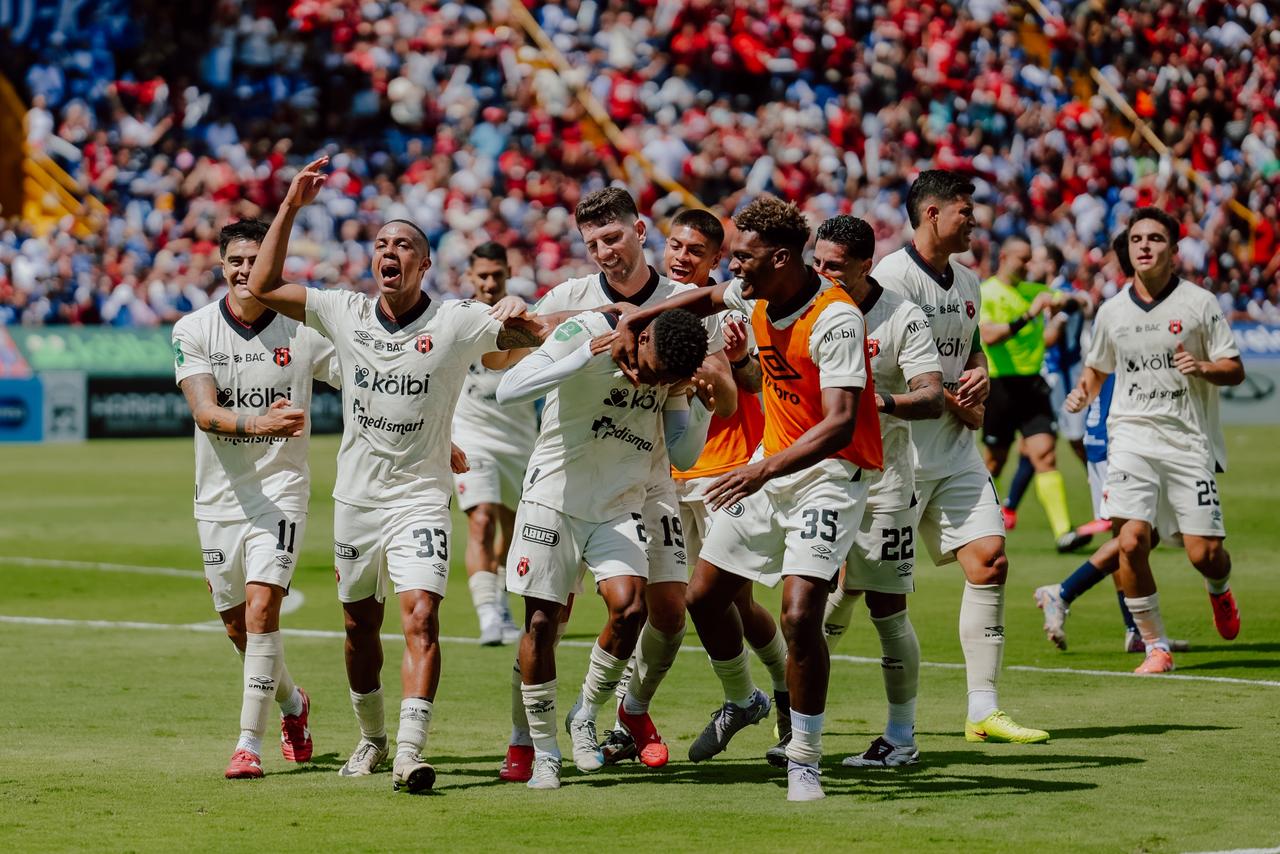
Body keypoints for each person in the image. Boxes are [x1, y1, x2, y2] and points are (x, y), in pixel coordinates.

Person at [247, 156, 553, 793]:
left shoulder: (458, 320)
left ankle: (412, 751)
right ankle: (373, 738)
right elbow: (264, 283)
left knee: (420, 618)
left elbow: (522, 342)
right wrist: (291, 205)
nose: (390, 251)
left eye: (404, 244)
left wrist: (526, 319)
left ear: (424, 265)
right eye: (382, 243)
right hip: (357, 499)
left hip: (419, 498)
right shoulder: (344, 311)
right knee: (360, 627)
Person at [614, 195, 884, 802]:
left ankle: (805, 760)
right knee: (704, 598)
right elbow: (704, 298)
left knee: (797, 613)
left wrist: (762, 470)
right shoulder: (757, 293)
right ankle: (745, 699)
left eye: (744, 258)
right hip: (771, 472)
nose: (733, 269)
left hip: (830, 477)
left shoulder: (836, 319)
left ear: (782, 258)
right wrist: (637, 318)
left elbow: (840, 423)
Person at [502, 188, 734, 776]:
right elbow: (510, 371)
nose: (605, 251)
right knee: (544, 619)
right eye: (593, 243)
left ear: (639, 229)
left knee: (649, 609)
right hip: (559, 479)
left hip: (641, 482)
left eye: (614, 238)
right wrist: (530, 324)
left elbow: (708, 412)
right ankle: (530, 742)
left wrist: (696, 395)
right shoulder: (573, 304)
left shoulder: (684, 308)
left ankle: (603, 713)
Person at [602, 207, 791, 768]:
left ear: (716, 261)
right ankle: (628, 718)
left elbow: (762, 380)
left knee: (729, 598)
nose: (682, 258)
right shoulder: (648, 304)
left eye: (696, 252)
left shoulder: (737, 305)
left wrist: (733, 364)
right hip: (658, 475)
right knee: (655, 603)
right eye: (676, 246)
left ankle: (780, 700)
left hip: (723, 468)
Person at [496, 306, 713, 789]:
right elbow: (508, 389)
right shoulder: (586, 333)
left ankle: (585, 714)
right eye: (648, 368)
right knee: (541, 623)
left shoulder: (670, 368)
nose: (647, 381)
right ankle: (546, 752)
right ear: (642, 337)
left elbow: (682, 453)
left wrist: (702, 406)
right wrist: (580, 360)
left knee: (631, 609)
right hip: (554, 498)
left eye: (660, 379)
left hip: (620, 501)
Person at [873, 170, 1049, 744]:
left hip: (954, 452)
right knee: (854, 589)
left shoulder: (969, 281)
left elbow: (973, 353)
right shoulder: (890, 279)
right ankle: (795, 706)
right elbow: (880, 367)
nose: (974, 221)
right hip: (896, 457)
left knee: (991, 561)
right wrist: (951, 395)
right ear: (932, 214)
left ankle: (982, 709)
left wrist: (979, 381)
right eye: (964, 211)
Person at [172, 218, 340, 780]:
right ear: (222, 266)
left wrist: (438, 436)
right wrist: (257, 421)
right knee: (238, 627)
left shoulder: (306, 331)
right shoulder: (193, 329)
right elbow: (204, 412)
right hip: (218, 498)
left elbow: (371, 384)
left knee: (264, 608)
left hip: (281, 492)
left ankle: (248, 743)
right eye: (236, 261)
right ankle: (294, 704)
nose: (246, 270)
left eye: (255, 259)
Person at [1065, 208, 1244, 674]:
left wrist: (1203, 368)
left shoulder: (1199, 304)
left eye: (1156, 238)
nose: (1144, 245)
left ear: (1174, 250)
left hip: (1188, 443)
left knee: (1204, 553)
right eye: (1137, 238)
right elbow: (1098, 367)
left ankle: (1220, 589)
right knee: (1130, 540)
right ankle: (1154, 646)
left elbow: (1234, 367)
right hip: (1131, 438)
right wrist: (1083, 392)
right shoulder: (1112, 311)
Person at [812, 215, 944, 768]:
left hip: (885, 481)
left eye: (834, 266)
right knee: (806, 599)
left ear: (867, 265)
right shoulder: (808, 308)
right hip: (816, 480)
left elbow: (932, 397)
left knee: (888, 609)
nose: (821, 274)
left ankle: (900, 735)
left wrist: (874, 405)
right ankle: (798, 728)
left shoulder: (901, 316)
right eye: (816, 262)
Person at [978, 236, 1091, 553]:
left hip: (1032, 386)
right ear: (1004, 257)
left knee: (1045, 455)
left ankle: (1063, 532)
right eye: (1023, 259)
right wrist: (1030, 313)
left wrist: (1071, 302)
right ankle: (982, 524)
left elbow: (1077, 301)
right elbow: (990, 335)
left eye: (1031, 260)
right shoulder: (987, 292)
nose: (1029, 266)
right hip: (999, 386)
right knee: (994, 462)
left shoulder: (1034, 291)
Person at [452, 242, 535, 646]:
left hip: (519, 439)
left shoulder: (526, 318)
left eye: (496, 275)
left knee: (512, 530)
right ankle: (488, 615)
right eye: (481, 275)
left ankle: (498, 599)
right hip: (472, 437)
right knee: (481, 519)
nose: (488, 282)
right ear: (469, 277)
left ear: (507, 274)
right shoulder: (459, 317)